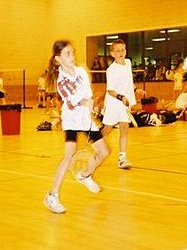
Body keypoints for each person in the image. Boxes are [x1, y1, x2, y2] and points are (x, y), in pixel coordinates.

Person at [44, 40, 109, 214]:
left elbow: (88, 94)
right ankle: (52, 195)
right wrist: (88, 103)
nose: (72, 56)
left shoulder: (81, 71)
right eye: (67, 53)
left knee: (104, 152)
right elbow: (75, 101)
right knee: (69, 155)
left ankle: (84, 174)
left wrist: (93, 106)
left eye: (72, 52)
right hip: (72, 119)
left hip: (85, 118)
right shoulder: (61, 80)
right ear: (58, 58)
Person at [101, 39, 145, 169]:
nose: (121, 53)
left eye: (123, 50)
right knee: (106, 131)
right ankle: (93, 145)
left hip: (125, 104)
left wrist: (136, 90)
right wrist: (121, 97)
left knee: (124, 130)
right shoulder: (111, 70)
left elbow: (128, 81)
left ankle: (122, 159)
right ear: (112, 53)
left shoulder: (128, 63)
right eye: (118, 51)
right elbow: (110, 90)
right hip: (114, 103)